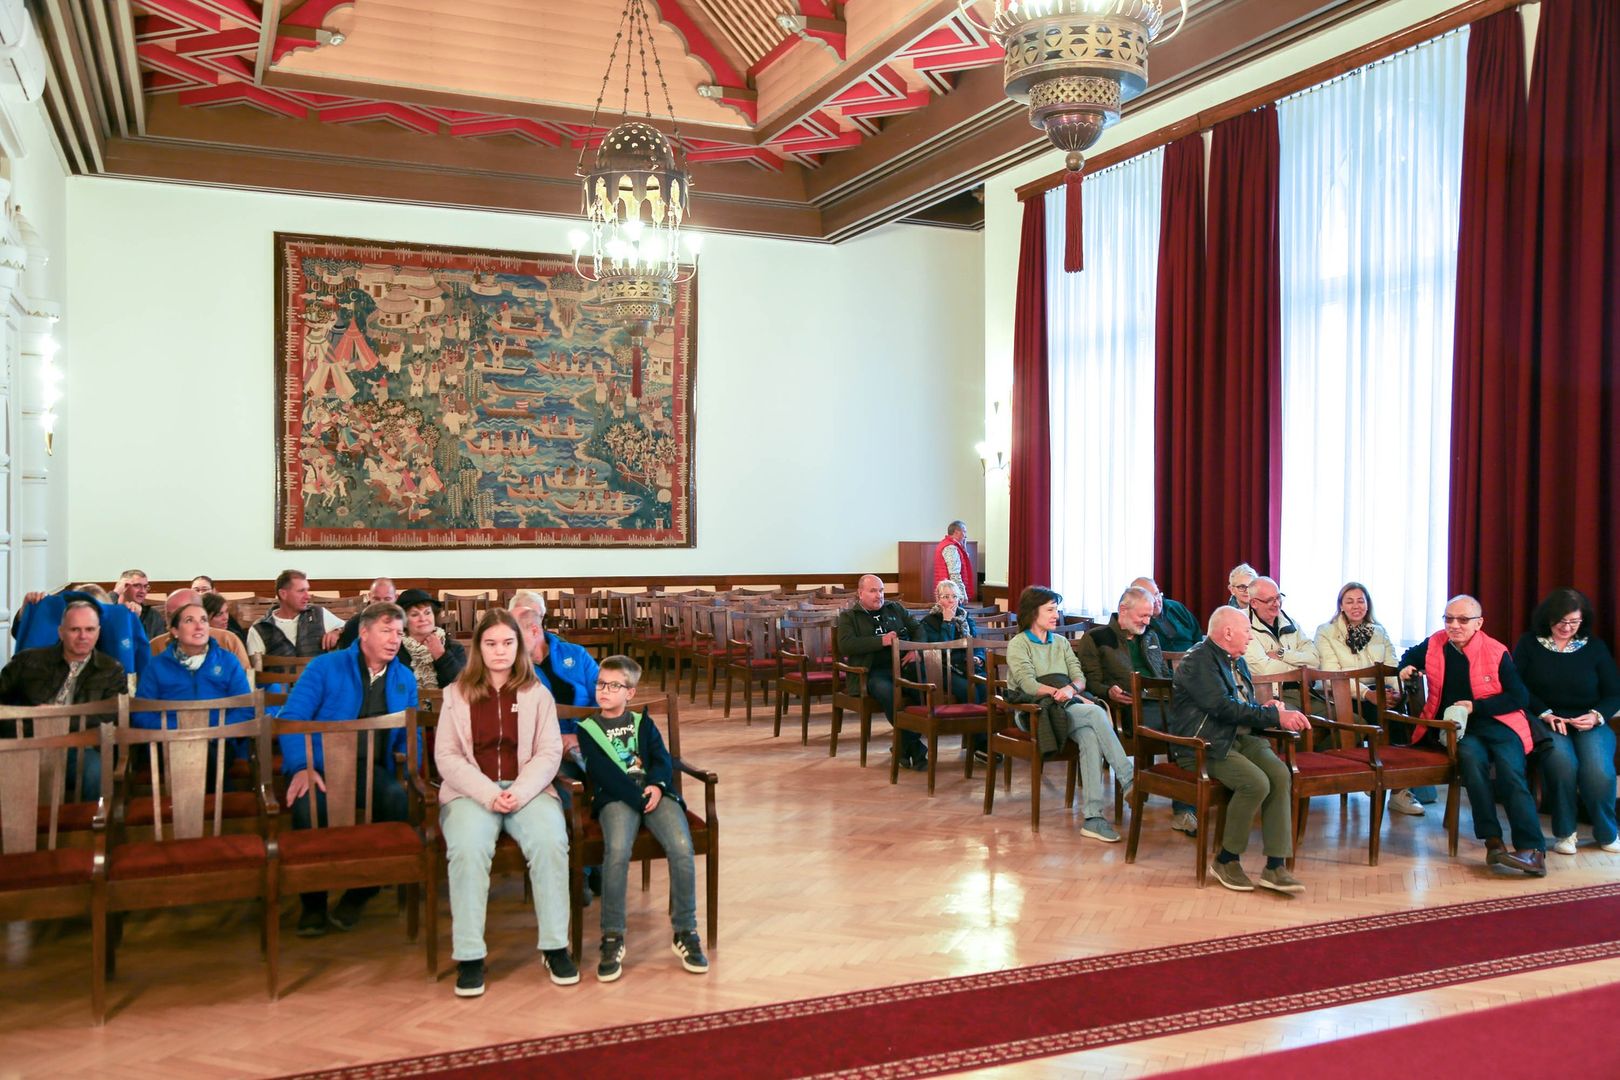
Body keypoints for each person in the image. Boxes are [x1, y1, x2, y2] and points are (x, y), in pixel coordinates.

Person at [435, 609, 575, 995]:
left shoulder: (537, 693)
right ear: (478, 648)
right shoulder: (456, 694)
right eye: (491, 643)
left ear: (519, 646)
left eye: (508, 643)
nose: (500, 651)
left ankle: (555, 946)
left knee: (550, 843)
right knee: (467, 849)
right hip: (471, 792)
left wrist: (521, 791)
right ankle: (469, 955)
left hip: (527, 790)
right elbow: (447, 756)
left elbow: (549, 752)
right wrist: (489, 793)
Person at [278, 602, 418, 936]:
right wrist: (301, 767)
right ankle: (313, 903)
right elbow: (292, 719)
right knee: (308, 806)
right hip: (321, 766)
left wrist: (412, 772)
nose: (394, 639)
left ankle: (362, 891)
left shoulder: (404, 677)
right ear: (364, 633)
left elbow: (409, 736)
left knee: (397, 801)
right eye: (386, 631)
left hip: (370, 768)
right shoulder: (325, 666)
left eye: (399, 633)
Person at [577, 655, 707, 980]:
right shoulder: (588, 730)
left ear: (630, 693)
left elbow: (662, 759)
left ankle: (685, 930)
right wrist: (637, 797)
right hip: (617, 799)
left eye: (613, 686)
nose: (604, 690)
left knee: (681, 847)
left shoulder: (642, 722)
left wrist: (658, 786)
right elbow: (603, 773)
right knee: (617, 851)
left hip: (655, 794)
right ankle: (612, 935)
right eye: (600, 684)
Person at [1398, 595, 1548, 876]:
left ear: (1479, 623)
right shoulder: (1435, 643)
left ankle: (1532, 850)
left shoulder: (1496, 650)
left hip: (1500, 723)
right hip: (1460, 728)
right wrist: (1404, 667)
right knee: (1472, 766)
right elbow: (1408, 657)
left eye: (1463, 620)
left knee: (1511, 774)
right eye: (1449, 618)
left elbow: (1519, 697)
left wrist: (1476, 706)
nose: (1454, 625)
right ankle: (1493, 842)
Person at [1170, 606, 1311, 893]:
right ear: (1227, 632)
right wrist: (1274, 716)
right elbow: (1222, 707)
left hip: (1239, 737)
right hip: (1204, 744)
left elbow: (1240, 706)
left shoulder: (1238, 661)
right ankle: (1226, 860)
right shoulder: (1198, 660)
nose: (1250, 637)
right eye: (1247, 631)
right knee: (1255, 783)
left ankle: (1275, 866)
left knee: (1280, 775)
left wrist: (1265, 708)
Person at [1006, 586, 1135, 843]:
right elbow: (1029, 685)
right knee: (1095, 713)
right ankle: (1129, 779)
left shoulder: (1062, 642)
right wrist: (1061, 692)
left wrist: (1070, 690)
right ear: (1033, 612)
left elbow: (1079, 677)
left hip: (1068, 704)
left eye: (1057, 609)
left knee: (1089, 736)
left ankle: (1093, 818)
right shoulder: (1018, 644)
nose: (1056, 615)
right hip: (1035, 711)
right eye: (1050, 610)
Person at [1512, 588, 1620, 856]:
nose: (1567, 627)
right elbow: (1517, 687)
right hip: (1547, 721)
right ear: (1548, 618)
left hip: (1588, 721)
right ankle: (1566, 833)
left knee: (1599, 771)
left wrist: (1595, 716)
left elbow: (1614, 693)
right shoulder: (1529, 644)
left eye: (1574, 622)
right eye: (1561, 621)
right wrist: (1545, 713)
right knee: (1563, 765)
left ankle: (1607, 831)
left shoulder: (1594, 647)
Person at [1079, 585, 1194, 834]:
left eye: (1149, 616)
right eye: (1142, 615)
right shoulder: (1096, 638)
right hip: (1127, 708)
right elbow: (1091, 682)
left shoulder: (1150, 635)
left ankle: (1187, 805)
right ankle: (1183, 808)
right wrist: (1109, 691)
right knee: (1183, 732)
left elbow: (1161, 674)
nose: (1147, 621)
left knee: (1194, 726)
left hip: (1160, 703)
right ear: (1123, 609)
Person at [0, 601, 127, 794]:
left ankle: (90, 815)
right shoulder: (28, 661)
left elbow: (110, 716)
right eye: (75, 629)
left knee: (94, 771)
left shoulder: (112, 669)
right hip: (26, 740)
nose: (83, 636)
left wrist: (59, 717)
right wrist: (26, 721)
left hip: (78, 746)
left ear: (98, 632)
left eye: (89, 629)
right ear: (61, 632)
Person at [1313, 582, 1415, 814]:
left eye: (1361, 601)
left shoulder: (1379, 631)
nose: (1356, 606)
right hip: (1343, 694)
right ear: (1341, 606)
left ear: (1368, 605)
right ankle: (1384, 780)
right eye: (1349, 601)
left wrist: (1396, 691)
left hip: (1377, 692)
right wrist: (1368, 694)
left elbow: (1391, 668)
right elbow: (1332, 675)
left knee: (1398, 713)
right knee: (1383, 715)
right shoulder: (1326, 631)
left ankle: (1398, 788)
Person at [134, 601, 254, 761]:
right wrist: (176, 730)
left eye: (203, 620)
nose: (199, 626)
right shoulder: (156, 665)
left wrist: (213, 730)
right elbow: (141, 712)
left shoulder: (228, 661)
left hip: (218, 741)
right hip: (168, 742)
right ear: (175, 631)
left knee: (209, 757)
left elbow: (245, 708)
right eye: (189, 620)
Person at [836, 574, 927, 770]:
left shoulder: (895, 608)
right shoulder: (849, 617)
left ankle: (903, 746)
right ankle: (915, 747)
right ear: (860, 593)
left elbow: (918, 628)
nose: (879, 595)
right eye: (873, 591)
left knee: (923, 690)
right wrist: (881, 641)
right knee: (891, 694)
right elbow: (846, 645)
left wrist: (915, 650)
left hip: (902, 668)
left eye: (881, 591)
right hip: (870, 673)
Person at [914, 579, 985, 706]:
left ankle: (986, 719)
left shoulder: (965, 618)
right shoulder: (929, 622)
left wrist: (978, 658)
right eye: (946, 597)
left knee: (986, 687)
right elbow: (940, 650)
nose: (951, 600)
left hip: (967, 666)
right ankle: (972, 718)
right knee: (969, 691)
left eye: (954, 596)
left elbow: (975, 643)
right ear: (938, 599)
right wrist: (947, 622)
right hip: (945, 669)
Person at [149, 588, 252, 675]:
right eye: (170, 616)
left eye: (180, 615)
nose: (174, 622)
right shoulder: (155, 646)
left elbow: (246, 681)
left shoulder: (228, 640)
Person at [246, 569, 345, 660]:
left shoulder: (318, 613)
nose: (307, 596)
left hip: (317, 673)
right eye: (301, 591)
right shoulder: (260, 628)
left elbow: (349, 628)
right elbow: (254, 668)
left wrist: (337, 632)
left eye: (307, 590)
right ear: (283, 594)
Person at [1243, 577, 1319, 680]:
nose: (1277, 604)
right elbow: (1264, 670)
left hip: (1301, 686)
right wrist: (1301, 671)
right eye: (1270, 600)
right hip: (1267, 689)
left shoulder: (1290, 623)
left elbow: (1314, 660)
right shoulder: (1243, 625)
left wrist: (1283, 654)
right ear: (1254, 603)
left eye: (1278, 597)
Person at [394, 589, 466, 690]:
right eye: (415, 614)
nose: (423, 619)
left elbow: (463, 685)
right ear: (404, 622)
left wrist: (441, 655)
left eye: (427, 613)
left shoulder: (455, 647)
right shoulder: (394, 649)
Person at [1132, 576, 1201, 653]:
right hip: (1160, 660)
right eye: (1149, 597)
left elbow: (1197, 635)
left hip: (1192, 657)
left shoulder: (1176, 607)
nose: (1156, 600)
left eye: (1156, 594)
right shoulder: (1137, 620)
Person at [334, 578, 400, 649]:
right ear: (370, 597)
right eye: (376, 599)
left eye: (387, 599)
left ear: (396, 598)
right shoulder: (355, 623)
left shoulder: (404, 621)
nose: (381, 604)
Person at [115, 568, 168, 640]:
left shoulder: (153, 615)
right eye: (137, 586)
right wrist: (116, 592)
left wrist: (136, 620)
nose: (143, 591)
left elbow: (158, 644)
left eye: (145, 586)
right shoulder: (109, 609)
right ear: (123, 586)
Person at [931, 520, 977, 602]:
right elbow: (954, 574)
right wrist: (962, 594)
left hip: (946, 591)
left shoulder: (945, 544)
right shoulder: (950, 548)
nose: (965, 536)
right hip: (951, 594)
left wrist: (963, 546)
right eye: (964, 532)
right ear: (956, 532)